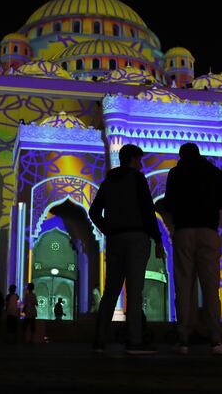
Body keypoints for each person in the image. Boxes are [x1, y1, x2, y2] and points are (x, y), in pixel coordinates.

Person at [89, 144, 163, 355]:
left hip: (115, 239)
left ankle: (99, 340)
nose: (140, 164)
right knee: (135, 291)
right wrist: (157, 239)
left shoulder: (108, 181)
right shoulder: (137, 178)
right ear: (132, 159)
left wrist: (108, 229)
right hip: (136, 237)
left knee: (110, 291)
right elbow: (148, 210)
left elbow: (94, 212)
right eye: (138, 160)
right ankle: (134, 340)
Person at [164, 143, 222, 356]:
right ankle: (215, 339)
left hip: (184, 231)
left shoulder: (176, 173)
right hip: (209, 232)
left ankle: (183, 339)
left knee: (184, 286)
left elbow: (169, 203)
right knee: (211, 287)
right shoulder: (213, 172)